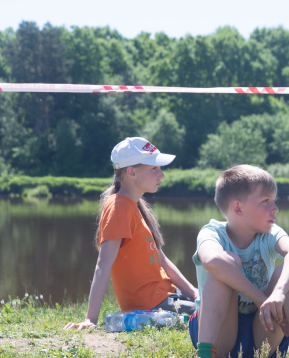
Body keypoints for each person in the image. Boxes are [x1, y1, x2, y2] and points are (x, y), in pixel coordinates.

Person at [189, 165, 289, 358]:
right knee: (225, 263)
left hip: (262, 336)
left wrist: (279, 292)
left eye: (274, 200)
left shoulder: (270, 233)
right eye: (265, 201)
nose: (275, 208)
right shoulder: (212, 232)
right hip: (218, 338)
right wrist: (261, 299)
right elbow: (211, 260)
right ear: (238, 208)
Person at [64, 137, 198, 330]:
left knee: (218, 300)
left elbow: (163, 261)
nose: (162, 175)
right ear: (131, 172)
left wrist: (194, 292)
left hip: (166, 296)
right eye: (154, 168)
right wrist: (90, 320)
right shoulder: (118, 207)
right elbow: (103, 265)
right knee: (219, 311)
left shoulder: (133, 206)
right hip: (152, 305)